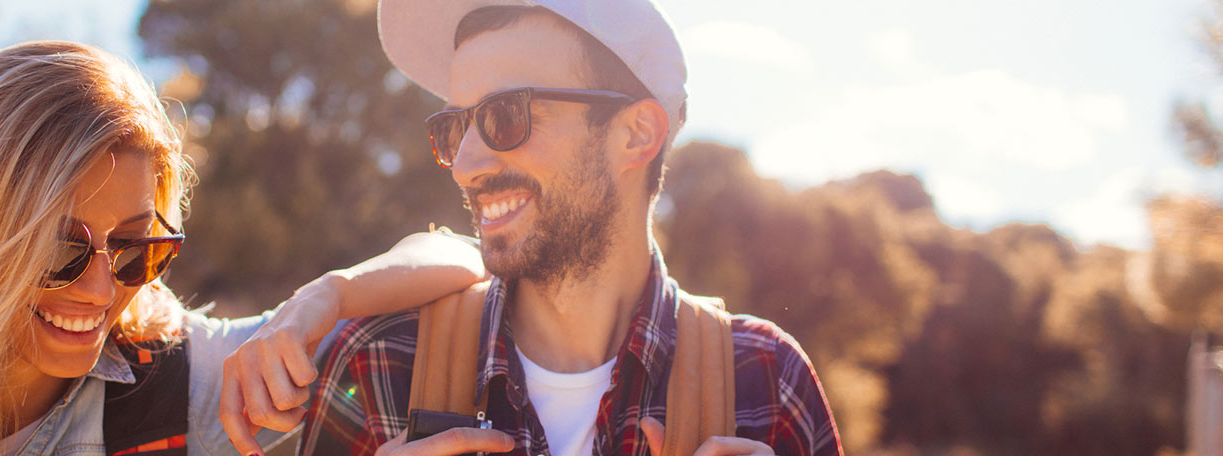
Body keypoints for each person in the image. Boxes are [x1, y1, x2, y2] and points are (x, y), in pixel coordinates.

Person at [0, 41, 486, 456]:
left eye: (135, 249)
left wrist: (323, 299)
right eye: (60, 250)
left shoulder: (178, 385)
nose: (99, 289)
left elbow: (463, 257)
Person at [280, 1, 843, 455]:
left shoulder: (768, 379)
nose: (465, 163)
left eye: (506, 114)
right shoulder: (378, 364)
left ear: (635, 135)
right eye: (454, 127)